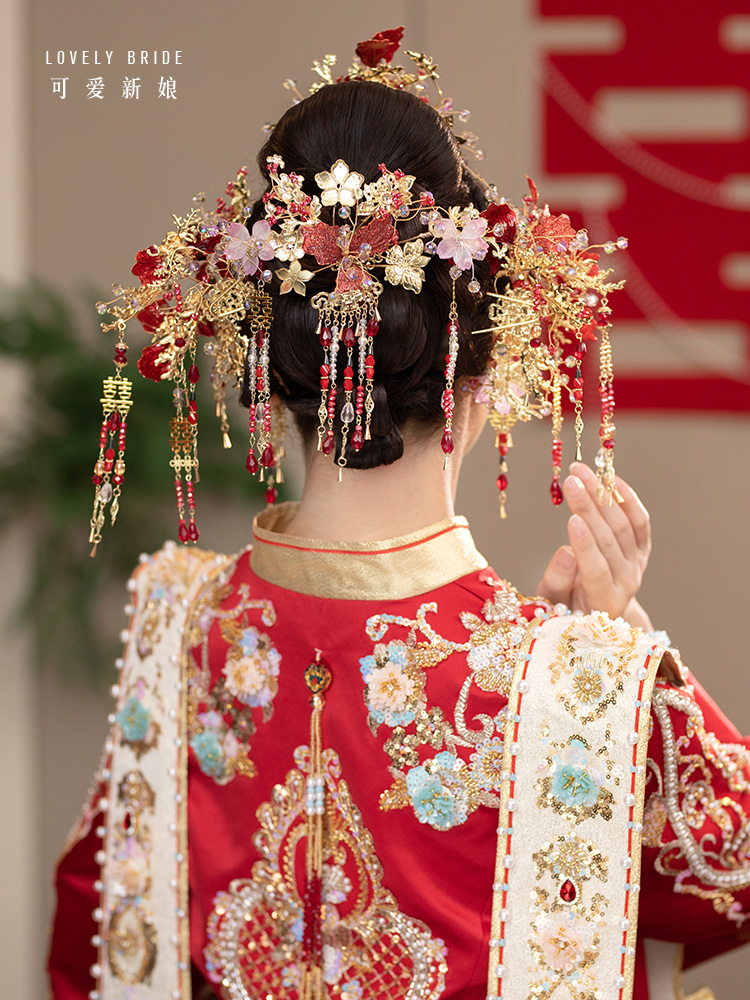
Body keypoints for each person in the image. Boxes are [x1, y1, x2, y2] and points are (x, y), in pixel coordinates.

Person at [49, 31, 750, 1000]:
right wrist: (604, 653)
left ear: (269, 377)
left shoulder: (177, 629)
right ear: (485, 374)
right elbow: (730, 867)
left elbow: (96, 923)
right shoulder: (568, 678)